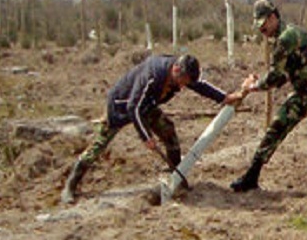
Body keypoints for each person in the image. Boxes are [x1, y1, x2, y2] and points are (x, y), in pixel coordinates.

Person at [60, 54, 239, 204]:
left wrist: (223, 97)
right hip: (122, 106)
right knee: (100, 145)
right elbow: (133, 108)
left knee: (168, 130)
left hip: (147, 106)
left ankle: (176, 176)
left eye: (186, 83)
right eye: (183, 82)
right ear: (176, 71)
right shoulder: (153, 75)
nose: (184, 86)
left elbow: (199, 85)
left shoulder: (181, 73)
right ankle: (71, 184)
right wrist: (146, 138)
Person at [229, 0, 307, 195]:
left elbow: (275, 77)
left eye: (263, 24)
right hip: (303, 90)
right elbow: (282, 77)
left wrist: (253, 86)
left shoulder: (286, 38)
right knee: (277, 127)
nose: (261, 30)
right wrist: (259, 82)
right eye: (259, 26)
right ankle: (251, 177)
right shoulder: (283, 36)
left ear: (273, 18)